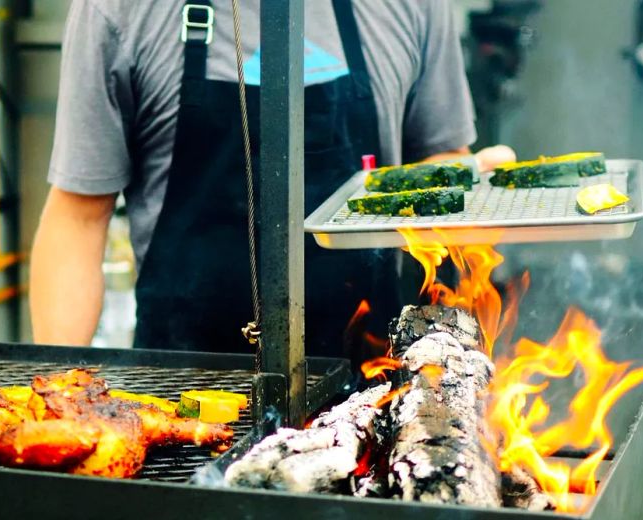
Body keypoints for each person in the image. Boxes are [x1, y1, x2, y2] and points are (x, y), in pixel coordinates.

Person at [30, 0, 515, 354]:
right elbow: (78, 219)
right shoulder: (118, 10)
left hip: (371, 399)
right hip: (181, 402)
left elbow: (438, 160)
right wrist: (54, 396)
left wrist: (468, 188)